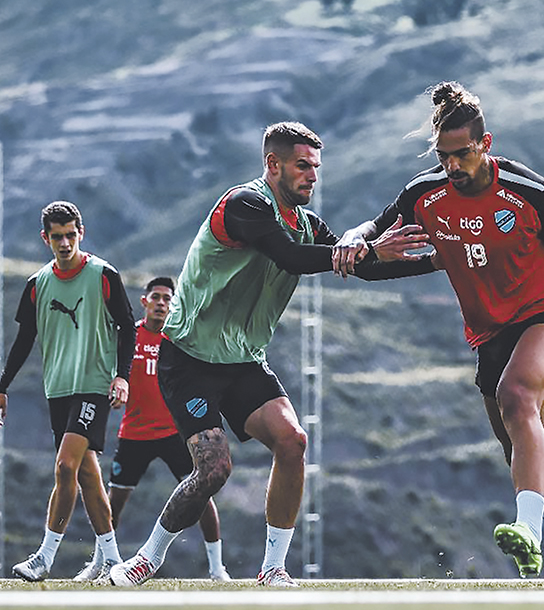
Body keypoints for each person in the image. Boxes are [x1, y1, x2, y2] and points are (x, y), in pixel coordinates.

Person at [109, 121, 435, 587]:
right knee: (215, 470)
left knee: (293, 441)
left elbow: (357, 269)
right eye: (302, 166)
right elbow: (292, 258)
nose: (312, 176)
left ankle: (272, 570)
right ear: (272, 164)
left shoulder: (306, 224)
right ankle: (147, 558)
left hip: (242, 359)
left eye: (316, 168)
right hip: (190, 358)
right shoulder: (246, 204)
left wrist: (433, 262)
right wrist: (365, 250)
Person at [331, 82, 544, 587]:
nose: (453, 166)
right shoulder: (425, 194)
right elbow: (377, 231)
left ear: (486, 144)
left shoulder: (529, 192)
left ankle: (528, 530)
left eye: (462, 154)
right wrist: (354, 240)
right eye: (444, 156)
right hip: (489, 332)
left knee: (517, 396)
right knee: (517, 442)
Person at [0, 200, 137, 582]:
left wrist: (122, 376)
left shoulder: (104, 274)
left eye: (71, 235)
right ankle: (112, 559)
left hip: (93, 387)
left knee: (65, 465)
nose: (65, 243)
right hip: (58, 390)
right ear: (45, 238)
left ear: (81, 233)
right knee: (87, 475)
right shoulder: (37, 285)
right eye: (57, 237)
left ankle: (44, 557)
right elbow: (23, 341)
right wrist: (1, 388)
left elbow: (127, 327)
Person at [105, 277, 229, 580]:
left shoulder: (178, 339)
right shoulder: (128, 337)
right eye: (156, 297)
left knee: (202, 493)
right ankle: (104, 560)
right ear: (144, 301)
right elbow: (111, 372)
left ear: (173, 305)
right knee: (114, 502)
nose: (161, 303)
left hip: (175, 434)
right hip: (133, 434)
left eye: (167, 299)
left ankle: (216, 569)